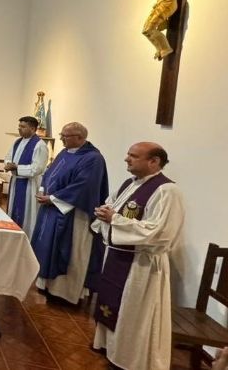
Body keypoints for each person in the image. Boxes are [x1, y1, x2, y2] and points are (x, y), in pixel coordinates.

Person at [90, 142, 184, 370]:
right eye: (128, 154)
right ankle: (110, 347)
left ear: (154, 161)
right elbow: (112, 207)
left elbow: (160, 233)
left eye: (133, 156)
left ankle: (129, 358)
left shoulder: (167, 191)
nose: (127, 159)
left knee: (134, 313)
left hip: (141, 265)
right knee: (114, 305)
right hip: (118, 256)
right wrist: (103, 214)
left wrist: (115, 220)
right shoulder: (129, 184)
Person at [31, 122, 108, 304]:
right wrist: (43, 190)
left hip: (73, 215)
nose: (61, 138)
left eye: (65, 136)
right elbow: (50, 173)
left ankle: (66, 293)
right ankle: (47, 285)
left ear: (80, 138)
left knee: (70, 252)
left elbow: (84, 186)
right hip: (51, 208)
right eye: (62, 134)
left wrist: (54, 198)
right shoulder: (65, 152)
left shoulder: (93, 158)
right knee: (47, 246)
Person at [4, 116, 49, 238]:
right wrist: (8, 164)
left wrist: (17, 168)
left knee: (27, 216)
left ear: (33, 128)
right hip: (16, 182)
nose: (19, 129)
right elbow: (8, 157)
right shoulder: (17, 142)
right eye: (19, 126)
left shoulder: (39, 145)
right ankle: (12, 236)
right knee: (12, 211)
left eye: (23, 127)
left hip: (29, 185)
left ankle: (26, 239)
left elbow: (37, 168)